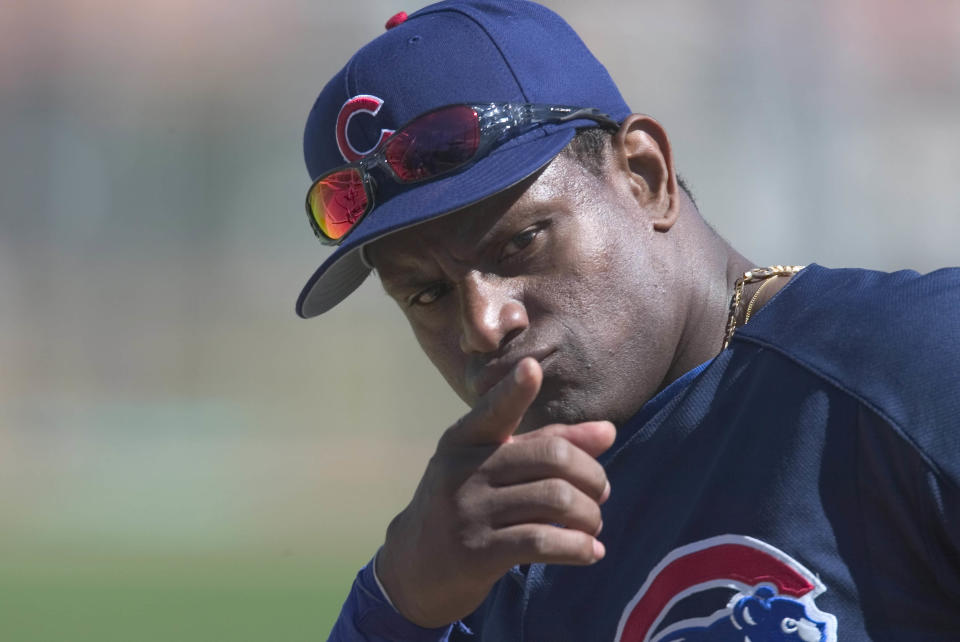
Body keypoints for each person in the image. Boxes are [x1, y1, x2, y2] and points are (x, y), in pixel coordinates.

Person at [296, 1, 960, 640]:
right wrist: (397, 605)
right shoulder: (486, 558)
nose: (485, 324)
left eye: (521, 243)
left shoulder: (917, 369)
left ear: (646, 176)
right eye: (427, 295)